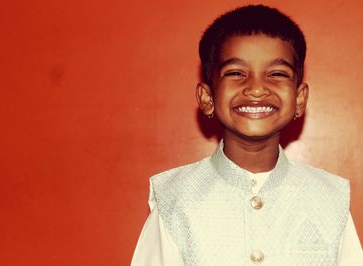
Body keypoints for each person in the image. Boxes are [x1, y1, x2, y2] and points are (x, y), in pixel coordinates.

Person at [131, 5, 363, 265]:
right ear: (207, 98)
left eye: (276, 74)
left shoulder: (329, 199)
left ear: (299, 99)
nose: (256, 89)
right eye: (236, 73)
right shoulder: (174, 199)